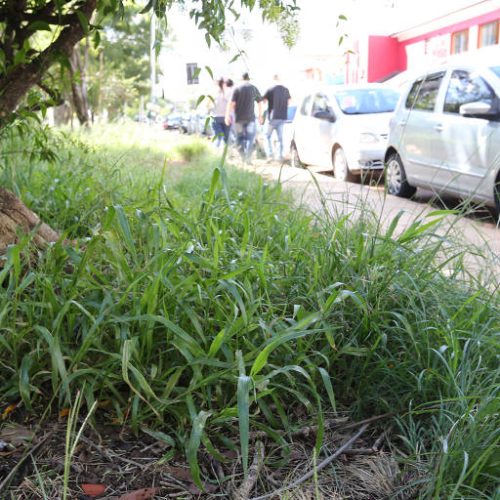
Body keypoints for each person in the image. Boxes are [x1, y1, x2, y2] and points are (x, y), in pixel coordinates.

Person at [225, 72, 262, 164]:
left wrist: (227, 116)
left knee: (239, 139)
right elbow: (260, 102)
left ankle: (243, 157)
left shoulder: (237, 89)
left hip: (238, 119)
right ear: (249, 79)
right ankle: (248, 159)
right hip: (251, 119)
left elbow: (231, 103)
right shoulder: (253, 88)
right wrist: (261, 115)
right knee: (250, 139)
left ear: (241, 79)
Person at [261, 74, 291, 161]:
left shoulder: (270, 89)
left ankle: (270, 155)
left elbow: (263, 101)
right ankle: (279, 156)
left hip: (272, 118)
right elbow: (289, 102)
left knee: (267, 136)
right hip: (282, 117)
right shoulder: (286, 90)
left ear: (273, 80)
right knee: (280, 138)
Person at [211, 77, 232, 147]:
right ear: (224, 83)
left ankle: (216, 154)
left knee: (218, 137)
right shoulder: (229, 92)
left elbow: (208, 106)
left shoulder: (213, 94)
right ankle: (227, 155)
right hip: (227, 117)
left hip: (216, 117)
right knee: (227, 138)